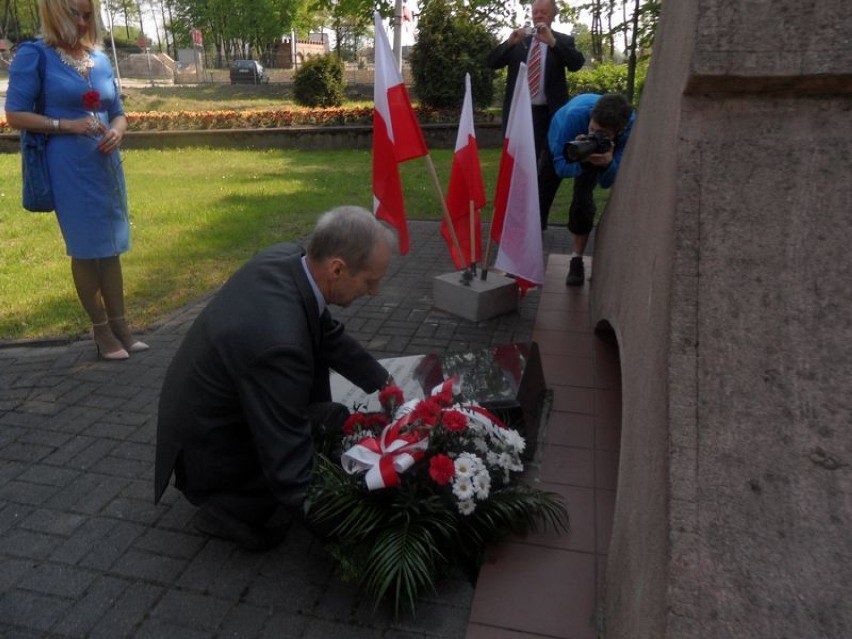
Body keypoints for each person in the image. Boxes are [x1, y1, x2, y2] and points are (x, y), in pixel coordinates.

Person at [154, 206, 396, 551]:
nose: (374, 291)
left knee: (334, 420)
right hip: (209, 449)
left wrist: (386, 384)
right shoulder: (278, 344)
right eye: (370, 280)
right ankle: (226, 508)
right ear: (337, 269)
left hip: (209, 414)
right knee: (296, 456)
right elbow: (291, 471)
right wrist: (366, 538)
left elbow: (327, 334)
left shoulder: (291, 258)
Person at [4, 0, 145, 360]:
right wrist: (64, 125)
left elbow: (119, 112)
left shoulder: (99, 58)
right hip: (67, 165)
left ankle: (122, 327)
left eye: (88, 16)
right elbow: (15, 114)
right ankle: (101, 332)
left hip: (106, 165)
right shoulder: (35, 55)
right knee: (85, 250)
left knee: (112, 248)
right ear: (54, 13)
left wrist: (117, 130)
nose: (83, 23)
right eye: (74, 15)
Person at [487, 0, 584, 230]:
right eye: (535, 12)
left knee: (550, 167)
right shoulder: (521, 41)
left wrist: (552, 43)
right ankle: (516, 219)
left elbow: (576, 63)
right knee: (520, 167)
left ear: (553, 15)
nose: (538, 16)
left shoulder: (562, 41)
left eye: (544, 12)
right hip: (522, 113)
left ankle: (537, 220)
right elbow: (491, 62)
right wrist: (509, 43)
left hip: (551, 114)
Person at [548, 93, 635, 286]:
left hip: (602, 151)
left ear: (618, 132)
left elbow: (607, 182)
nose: (594, 134)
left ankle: (576, 260)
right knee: (541, 192)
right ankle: (524, 258)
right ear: (591, 117)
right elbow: (561, 167)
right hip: (560, 130)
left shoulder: (630, 127)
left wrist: (607, 164)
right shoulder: (576, 116)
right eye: (593, 128)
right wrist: (581, 160)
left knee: (583, 200)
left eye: (602, 134)